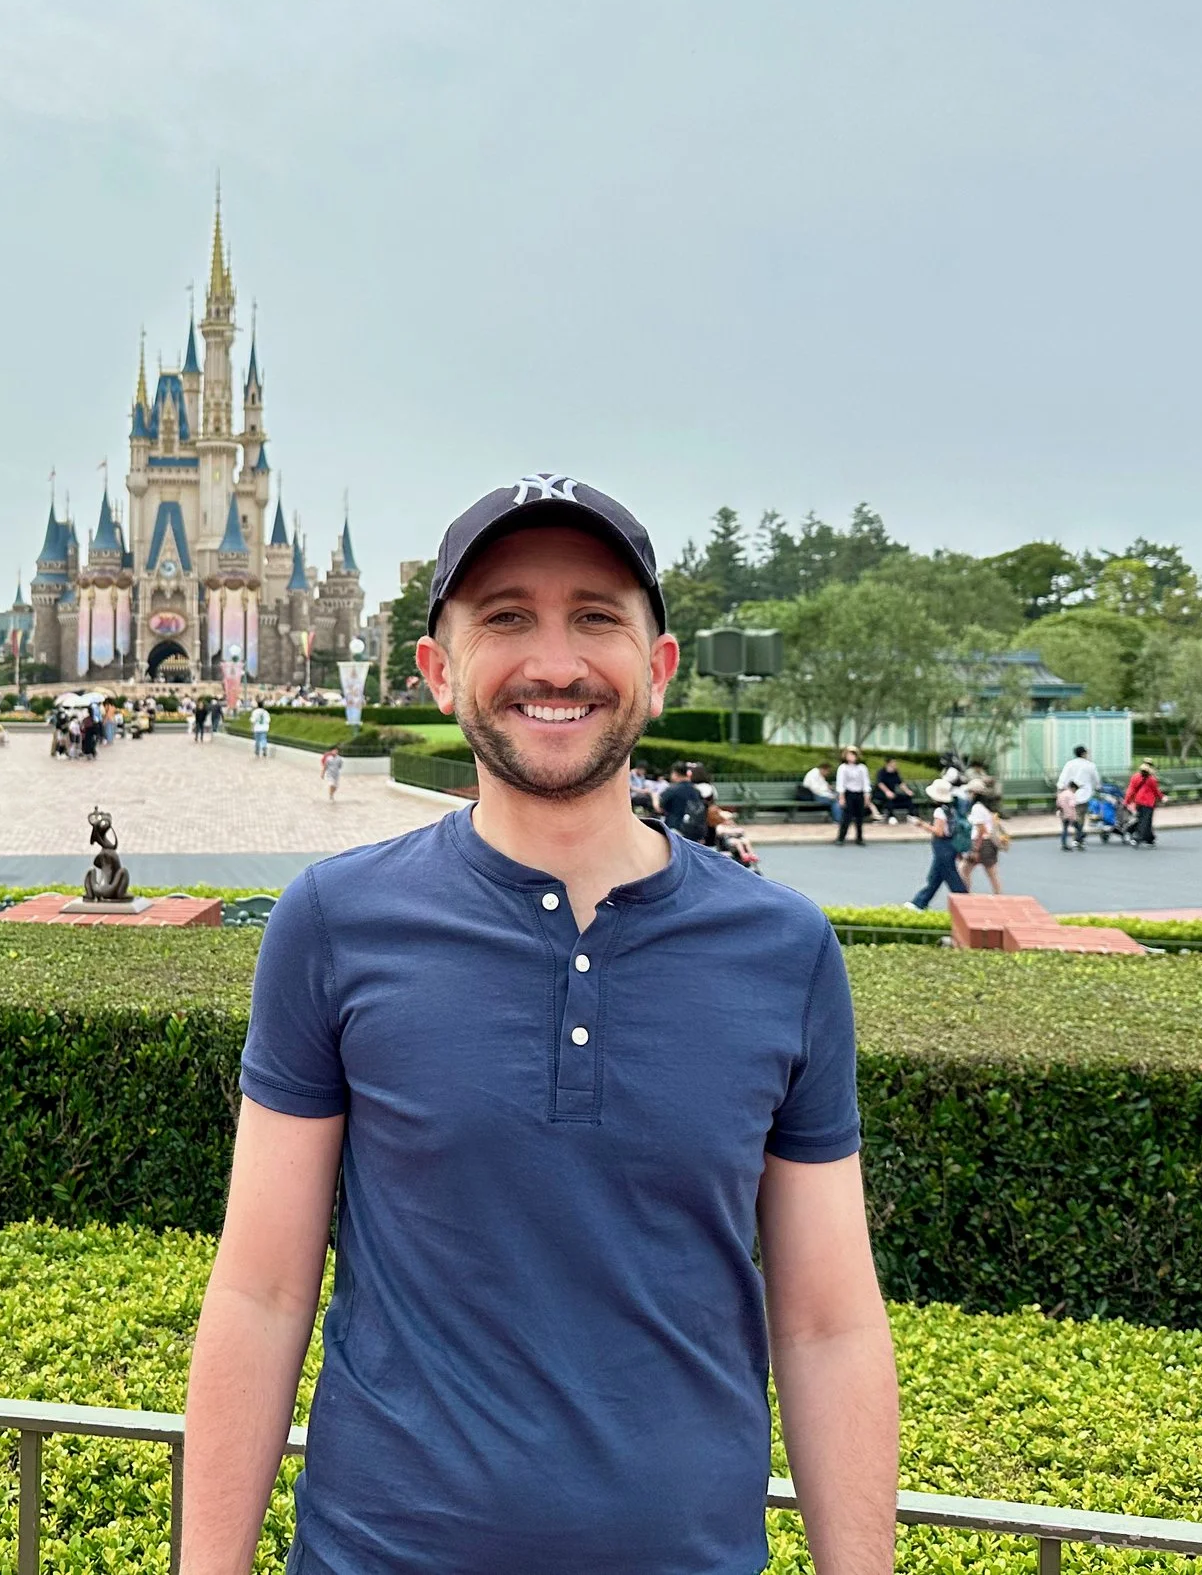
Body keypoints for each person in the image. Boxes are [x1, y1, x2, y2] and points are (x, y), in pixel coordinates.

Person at [182, 477, 894, 1575]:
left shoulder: (783, 950)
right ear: (438, 670)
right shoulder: (333, 924)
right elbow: (261, 1292)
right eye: (506, 617)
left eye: (596, 617)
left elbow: (829, 1323)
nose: (554, 663)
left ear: (658, 668)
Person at [906, 783, 967, 911]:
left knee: (951, 877)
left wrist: (921, 824)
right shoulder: (951, 809)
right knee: (935, 876)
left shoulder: (939, 811)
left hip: (942, 845)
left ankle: (964, 901)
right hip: (951, 844)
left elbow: (939, 831)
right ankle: (919, 902)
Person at [1055, 746, 1100, 851]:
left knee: (1068, 819)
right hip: (1084, 795)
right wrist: (1097, 787)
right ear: (1083, 753)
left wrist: (1060, 790)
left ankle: (1073, 838)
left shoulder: (1069, 764)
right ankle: (1078, 838)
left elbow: (1063, 779)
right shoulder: (1090, 765)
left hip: (1069, 796)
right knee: (1080, 817)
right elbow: (1096, 780)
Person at [656, 760, 709, 844]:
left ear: (674, 773)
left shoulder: (672, 790)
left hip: (675, 830)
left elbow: (659, 808)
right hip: (694, 831)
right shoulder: (696, 790)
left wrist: (653, 796)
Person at [966, 787, 1005, 893]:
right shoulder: (987, 807)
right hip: (989, 842)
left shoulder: (977, 808)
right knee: (992, 874)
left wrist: (976, 849)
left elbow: (981, 830)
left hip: (982, 843)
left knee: (964, 870)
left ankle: (966, 894)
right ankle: (999, 895)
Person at [832, 748, 873, 846]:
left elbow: (866, 782)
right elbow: (840, 783)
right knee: (847, 816)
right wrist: (841, 797)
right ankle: (841, 838)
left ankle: (859, 838)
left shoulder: (862, 768)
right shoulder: (843, 768)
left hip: (859, 794)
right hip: (848, 794)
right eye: (849, 755)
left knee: (859, 817)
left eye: (853, 755)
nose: (851, 757)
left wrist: (867, 795)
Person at [1123, 759, 1161, 846]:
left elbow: (1131, 790)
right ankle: (1137, 837)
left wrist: (1126, 801)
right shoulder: (1152, 779)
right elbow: (1156, 791)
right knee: (1144, 821)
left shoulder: (1136, 776)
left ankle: (1149, 838)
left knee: (1143, 819)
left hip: (1139, 801)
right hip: (1149, 802)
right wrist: (1161, 797)